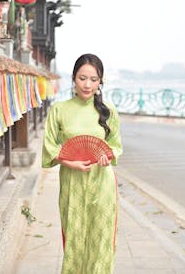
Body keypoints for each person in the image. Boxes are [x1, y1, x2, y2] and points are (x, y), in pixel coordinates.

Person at [42, 53, 123, 274]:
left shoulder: (108, 111)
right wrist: (69, 162)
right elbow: (50, 146)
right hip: (72, 181)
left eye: (94, 79)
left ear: (100, 81)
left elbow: (115, 145)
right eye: (82, 78)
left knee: (101, 240)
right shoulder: (58, 110)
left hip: (102, 181)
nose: (87, 85)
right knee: (75, 239)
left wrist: (108, 157)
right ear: (74, 79)